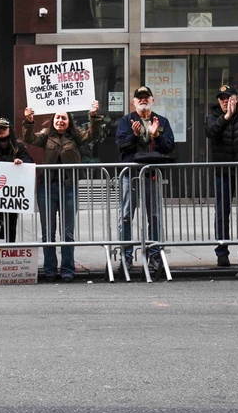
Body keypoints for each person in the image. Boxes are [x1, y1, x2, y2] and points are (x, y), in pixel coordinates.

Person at [23, 101, 103, 281]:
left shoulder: (76, 136)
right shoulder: (45, 135)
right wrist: (28, 121)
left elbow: (93, 134)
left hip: (68, 188)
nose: (60, 120)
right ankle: (50, 270)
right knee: (48, 232)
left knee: (67, 233)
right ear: (53, 120)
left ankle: (68, 270)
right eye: (57, 117)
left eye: (64, 118)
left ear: (69, 122)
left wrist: (93, 117)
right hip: (47, 189)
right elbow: (30, 139)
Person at [115, 87, 175, 274]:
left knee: (155, 216)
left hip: (152, 175)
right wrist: (134, 134)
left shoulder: (161, 121)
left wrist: (156, 135)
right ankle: (126, 256)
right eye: (139, 98)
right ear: (133, 102)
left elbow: (169, 147)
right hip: (130, 175)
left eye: (145, 98)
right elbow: (121, 145)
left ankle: (155, 255)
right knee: (125, 216)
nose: (142, 101)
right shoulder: (126, 121)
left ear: (152, 100)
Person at [205, 85, 238, 268]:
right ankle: (222, 253)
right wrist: (226, 117)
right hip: (224, 172)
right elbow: (211, 133)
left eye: (228, 98)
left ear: (236, 99)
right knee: (222, 213)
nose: (225, 102)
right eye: (221, 99)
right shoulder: (213, 117)